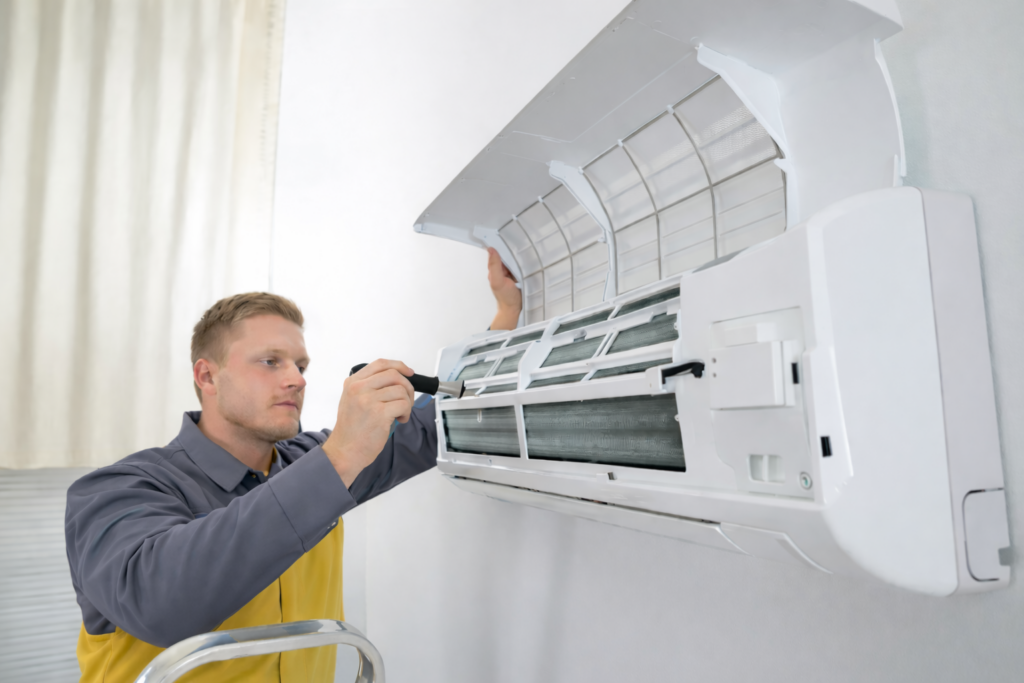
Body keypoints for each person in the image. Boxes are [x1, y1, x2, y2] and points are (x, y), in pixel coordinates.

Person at [65, 248, 521, 682]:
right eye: (270, 362)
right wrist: (340, 456)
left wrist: (505, 316)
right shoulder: (116, 490)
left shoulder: (314, 461)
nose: (296, 379)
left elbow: (434, 423)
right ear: (207, 376)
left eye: (301, 364)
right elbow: (160, 604)